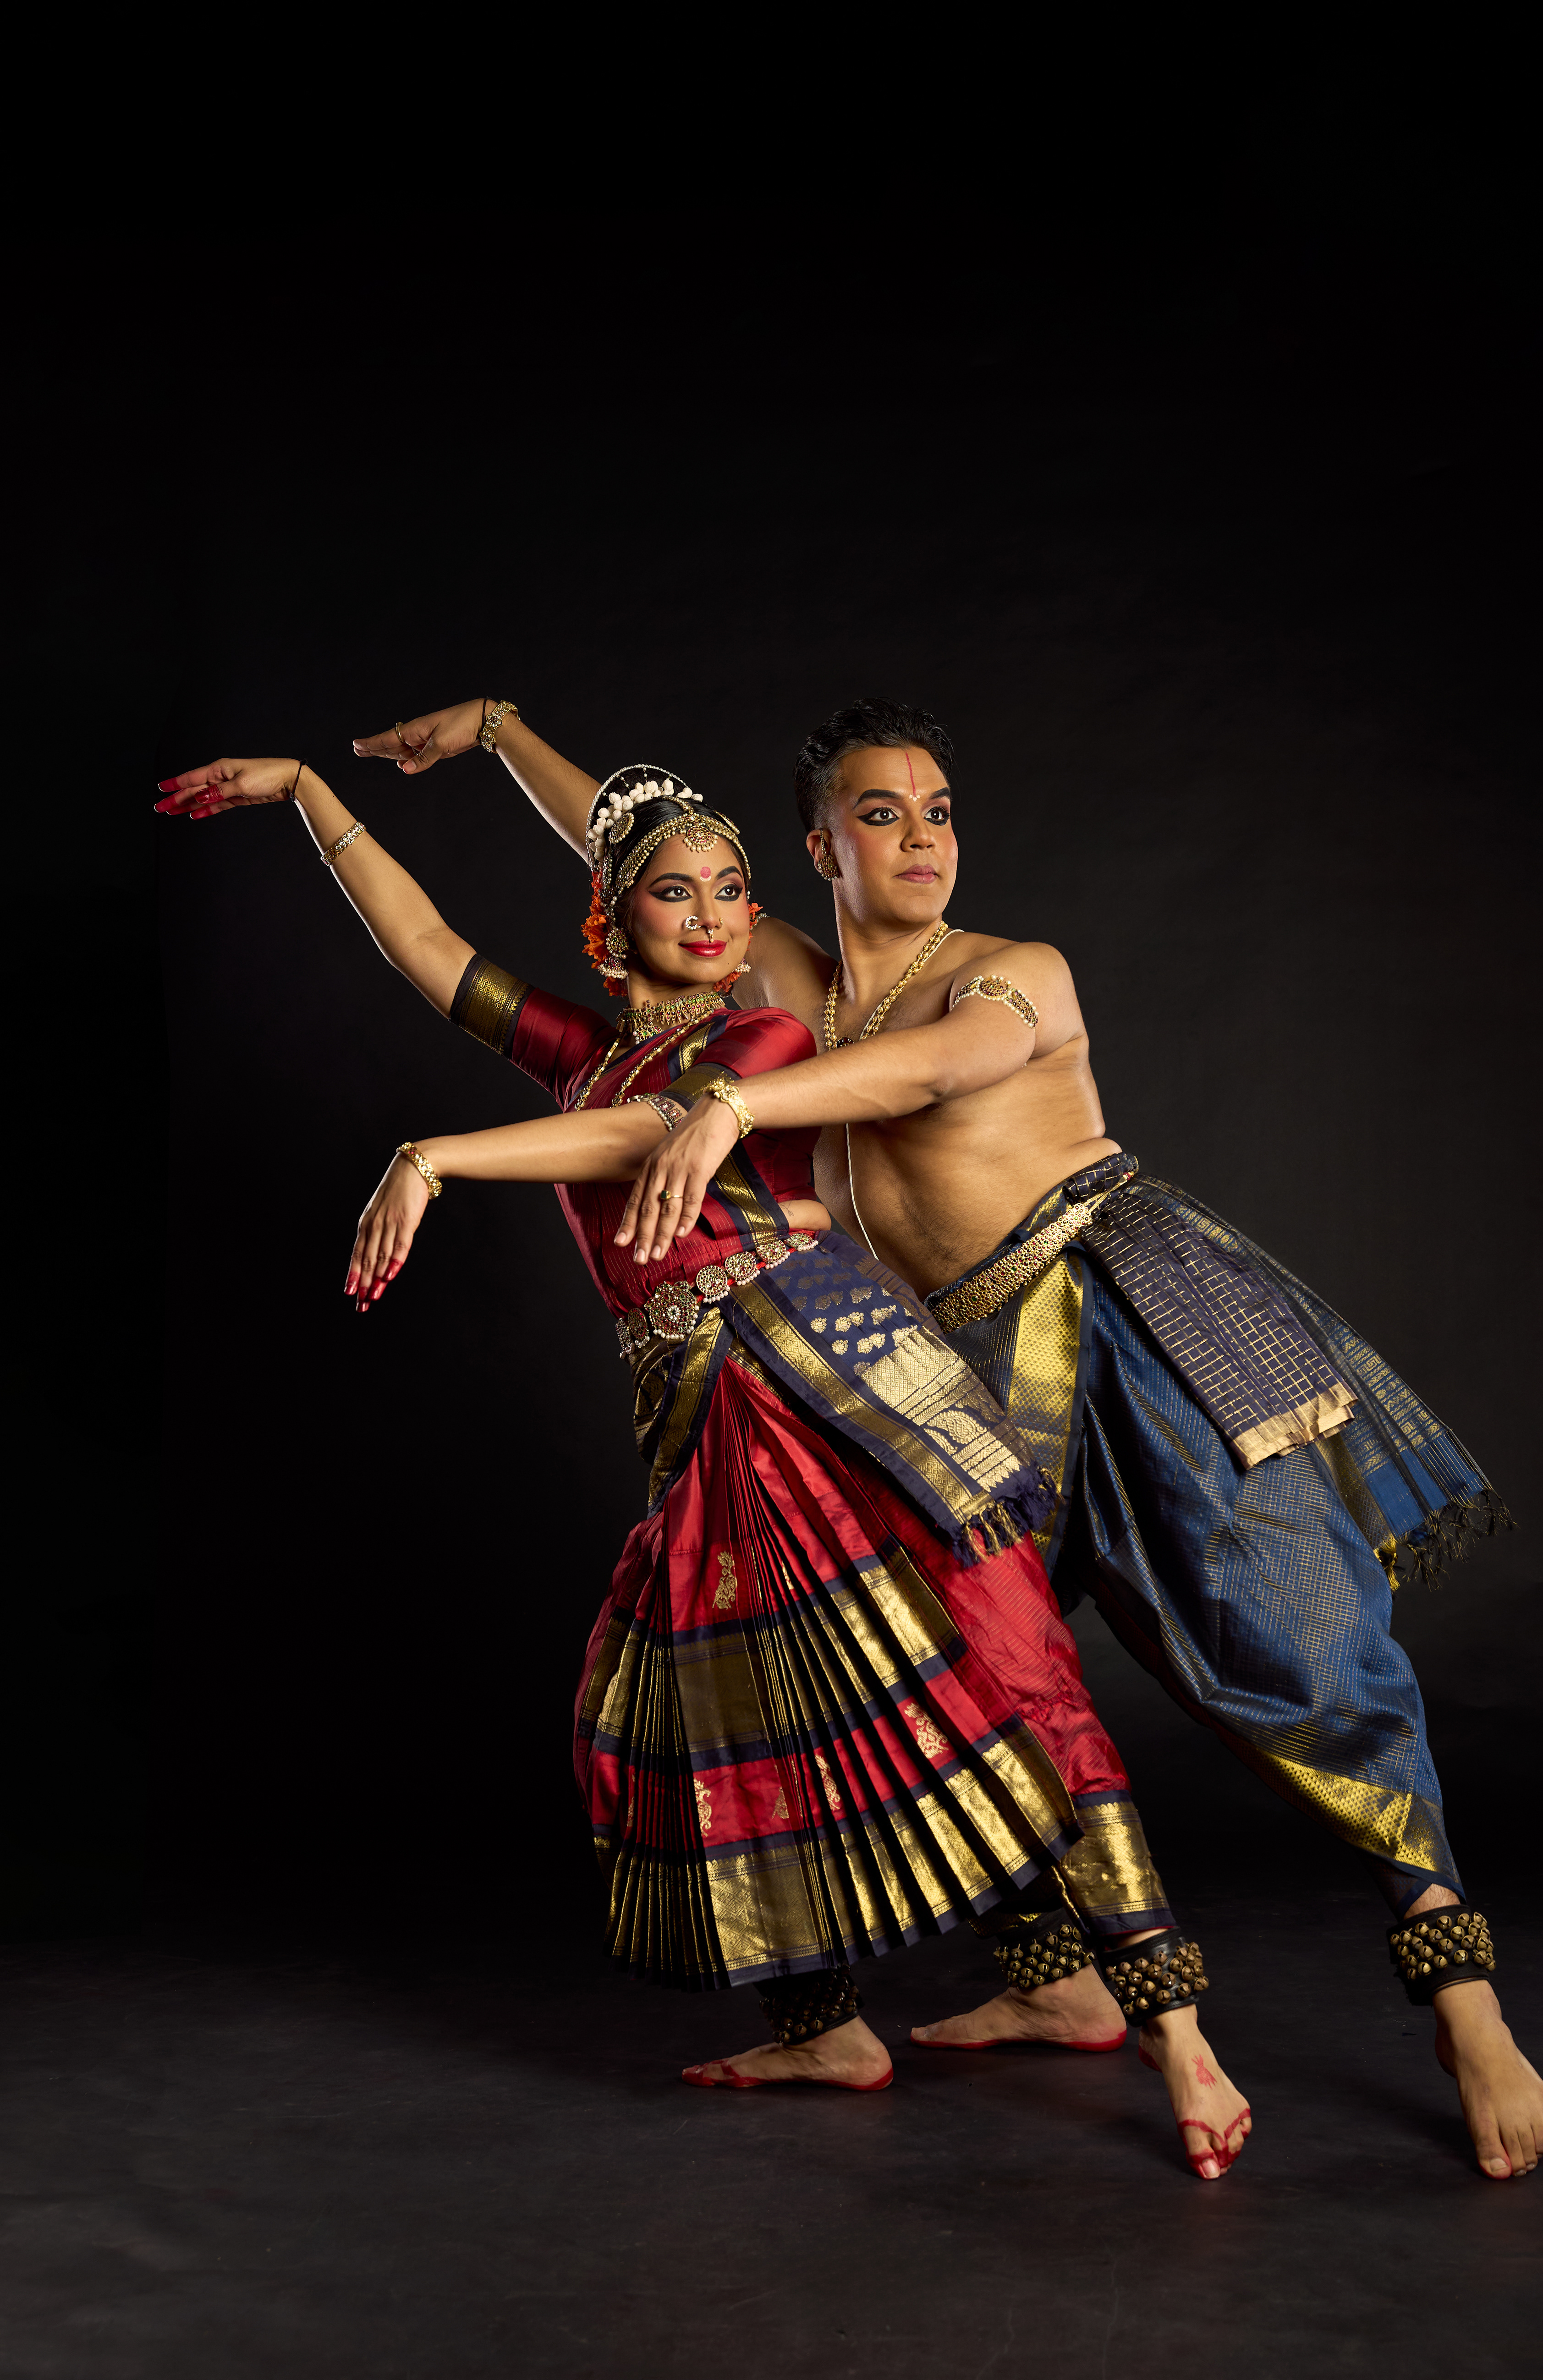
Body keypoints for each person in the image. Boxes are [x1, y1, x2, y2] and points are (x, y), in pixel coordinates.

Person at [347, 694, 1543, 2184]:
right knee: (955, 1667)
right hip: (943, 1365)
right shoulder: (791, 975)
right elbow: (645, 849)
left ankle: (1467, 2007)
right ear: (817, 849)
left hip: (1110, 1307)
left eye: (938, 810)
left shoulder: (1009, 972)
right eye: (881, 813)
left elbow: (927, 1072)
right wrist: (499, 732)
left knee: (1293, 1644)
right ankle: (1057, 1978)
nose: (922, 838)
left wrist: (728, 1110)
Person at [153, 740, 1252, 2179]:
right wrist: (313, 793)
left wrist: (435, 1154)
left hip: (824, 1376)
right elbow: (429, 952)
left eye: (734, 889)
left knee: (998, 1662)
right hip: (699, 1410)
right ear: (612, 920)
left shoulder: (763, 1045)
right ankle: (835, 2024)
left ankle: (1175, 2030)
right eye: (679, 893)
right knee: (732, 1707)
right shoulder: (581, 1054)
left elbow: (650, 1135)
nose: (719, 916)